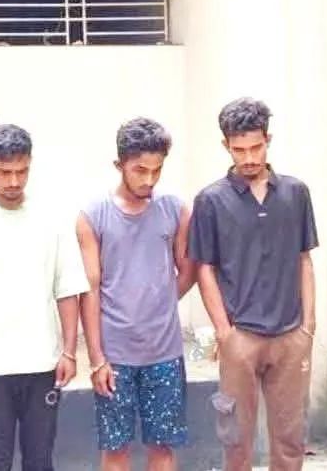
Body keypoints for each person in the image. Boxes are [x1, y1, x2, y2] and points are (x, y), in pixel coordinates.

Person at [0, 124, 89, 471]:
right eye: (4, 172)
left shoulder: (53, 218)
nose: (13, 181)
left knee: (40, 460)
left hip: (43, 363)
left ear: (30, 164)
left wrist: (69, 351)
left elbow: (67, 288)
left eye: (21, 171)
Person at [188, 97, 318, 471]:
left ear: (268, 140)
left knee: (291, 440)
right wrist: (224, 332)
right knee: (236, 441)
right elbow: (204, 268)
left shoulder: (295, 193)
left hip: (290, 334)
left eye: (256, 147)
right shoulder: (211, 200)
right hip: (240, 336)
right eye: (239, 149)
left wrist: (309, 325)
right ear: (226, 146)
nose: (249, 157)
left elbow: (304, 259)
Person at [76, 118, 195, 471]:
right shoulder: (93, 216)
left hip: (165, 353)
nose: (149, 179)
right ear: (120, 165)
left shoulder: (175, 210)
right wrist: (97, 359)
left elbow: (188, 269)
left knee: (163, 447)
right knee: (116, 449)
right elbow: (90, 290)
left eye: (156, 170)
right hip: (115, 356)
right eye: (140, 170)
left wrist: (160, 301)